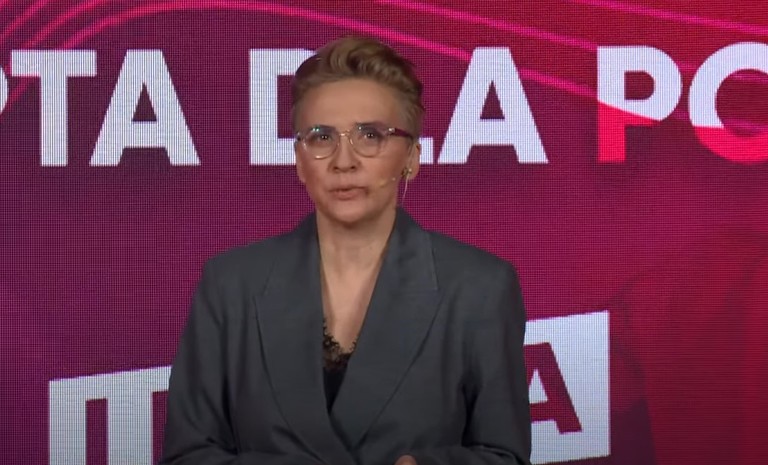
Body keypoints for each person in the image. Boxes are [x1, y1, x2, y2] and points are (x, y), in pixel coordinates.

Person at [160, 36, 531, 465]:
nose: (344, 161)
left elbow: (504, 456)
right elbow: (187, 456)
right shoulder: (230, 286)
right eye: (321, 138)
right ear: (300, 160)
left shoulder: (480, 288)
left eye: (370, 135)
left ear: (412, 157)